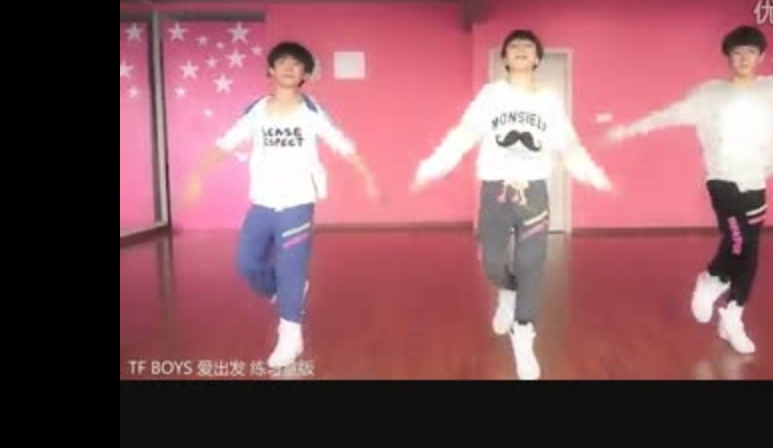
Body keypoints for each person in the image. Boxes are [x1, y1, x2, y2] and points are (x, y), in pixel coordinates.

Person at [606, 25, 773, 355]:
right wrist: (630, 129)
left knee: (749, 249)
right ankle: (712, 280)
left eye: (750, 52)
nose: (744, 58)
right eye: (737, 53)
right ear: (728, 57)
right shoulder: (710, 94)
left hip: (756, 180)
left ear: (761, 56)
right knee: (740, 242)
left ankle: (732, 314)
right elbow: (670, 115)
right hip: (722, 180)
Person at [412, 29, 613, 380]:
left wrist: (594, 176)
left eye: (528, 46)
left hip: (534, 192)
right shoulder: (492, 95)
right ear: (505, 58)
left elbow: (568, 144)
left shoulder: (549, 101)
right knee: (492, 262)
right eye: (514, 46)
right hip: (496, 190)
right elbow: (464, 133)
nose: (521, 50)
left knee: (531, 264)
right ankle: (507, 290)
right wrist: (433, 167)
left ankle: (523, 335)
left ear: (537, 59)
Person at [184, 41, 379, 370]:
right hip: (262, 201)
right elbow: (225, 143)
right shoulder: (257, 110)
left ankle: (290, 334)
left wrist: (368, 177)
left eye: (297, 64)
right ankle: (283, 288)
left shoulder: (312, 112)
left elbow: (343, 144)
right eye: (283, 62)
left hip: (297, 201)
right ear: (271, 71)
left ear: (305, 75)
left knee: (291, 268)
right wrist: (197, 174)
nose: (289, 68)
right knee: (246, 262)